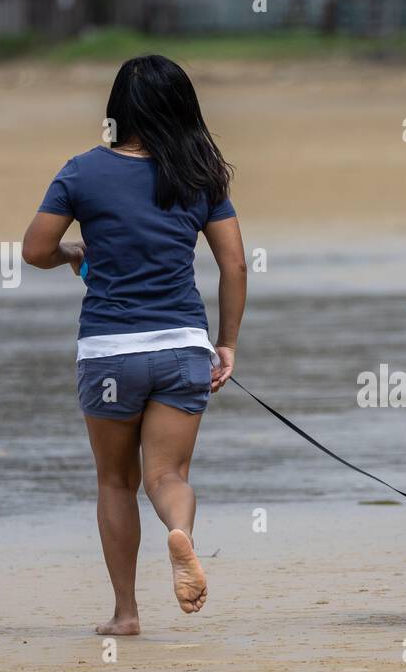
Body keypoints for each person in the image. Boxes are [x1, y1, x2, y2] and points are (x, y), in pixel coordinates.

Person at [22, 54, 246, 636]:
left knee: (115, 481)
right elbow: (235, 264)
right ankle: (181, 533)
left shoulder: (82, 171)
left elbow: (35, 249)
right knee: (166, 476)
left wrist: (72, 252)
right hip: (180, 347)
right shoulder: (200, 175)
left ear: (118, 111)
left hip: (109, 353)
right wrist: (226, 344)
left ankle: (125, 613)